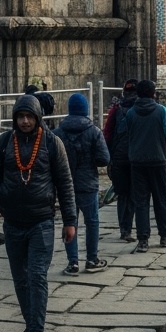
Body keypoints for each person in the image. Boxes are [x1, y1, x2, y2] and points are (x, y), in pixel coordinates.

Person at [0, 94, 77, 332]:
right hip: (13, 222)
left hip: (42, 222)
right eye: (20, 117)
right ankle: (30, 324)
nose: (25, 121)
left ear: (38, 118)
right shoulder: (5, 143)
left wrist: (70, 220)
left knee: (37, 277)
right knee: (20, 279)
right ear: (14, 119)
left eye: (29, 117)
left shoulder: (52, 143)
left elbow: (65, 182)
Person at [56, 94, 111, 274]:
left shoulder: (58, 133)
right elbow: (104, 158)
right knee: (92, 222)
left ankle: (73, 263)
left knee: (69, 222)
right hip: (88, 184)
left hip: (66, 186)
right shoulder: (94, 131)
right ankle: (91, 259)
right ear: (85, 110)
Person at [124, 79, 166, 251]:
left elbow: (128, 136)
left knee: (141, 201)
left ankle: (143, 240)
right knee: (160, 199)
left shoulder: (131, 113)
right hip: (158, 161)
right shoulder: (161, 111)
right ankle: (165, 236)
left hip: (137, 162)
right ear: (153, 94)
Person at [102, 80, 138, 240]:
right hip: (136, 157)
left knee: (122, 194)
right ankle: (130, 228)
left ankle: (124, 228)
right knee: (133, 193)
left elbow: (107, 133)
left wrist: (109, 156)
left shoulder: (116, 110)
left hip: (118, 156)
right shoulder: (141, 109)